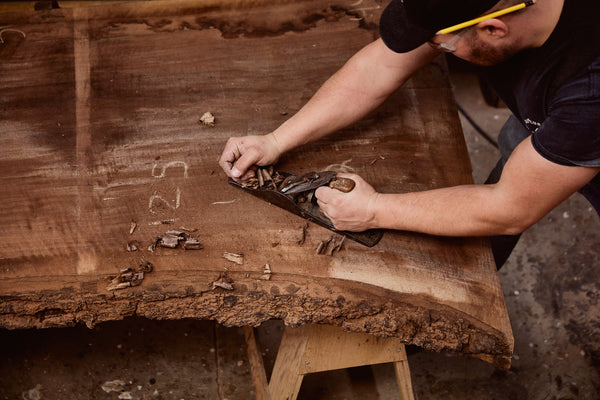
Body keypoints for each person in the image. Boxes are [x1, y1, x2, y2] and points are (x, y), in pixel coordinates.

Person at [219, 0, 600, 268]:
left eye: (440, 44)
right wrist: (275, 140)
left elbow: (510, 208)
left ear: (493, 28)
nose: (431, 49)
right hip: (555, 119)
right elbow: (381, 67)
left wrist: (374, 210)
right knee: (518, 146)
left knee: (509, 201)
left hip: (583, 123)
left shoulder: (587, 95)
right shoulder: (493, 18)